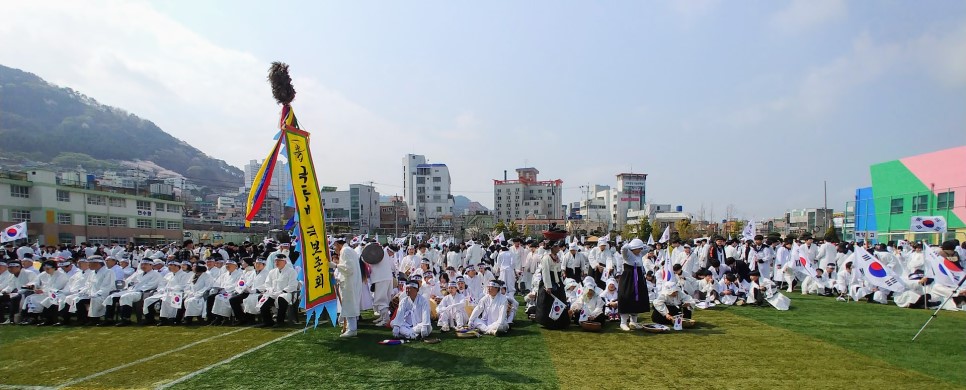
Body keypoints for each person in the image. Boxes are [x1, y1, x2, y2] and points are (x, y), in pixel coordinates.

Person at [104, 260, 161, 327]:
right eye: (142, 264)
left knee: (126, 297)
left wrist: (137, 287)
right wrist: (129, 285)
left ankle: (126, 319)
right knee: (111, 297)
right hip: (131, 290)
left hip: (142, 292)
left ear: (151, 265)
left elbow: (152, 285)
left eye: (145, 264)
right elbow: (128, 281)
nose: (143, 266)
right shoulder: (138, 273)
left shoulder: (156, 274)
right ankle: (109, 319)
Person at [143, 261, 190, 326]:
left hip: (178, 293)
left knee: (167, 299)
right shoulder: (168, 274)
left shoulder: (184, 275)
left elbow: (183, 285)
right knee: (148, 300)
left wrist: (171, 289)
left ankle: (167, 318)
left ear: (176, 266)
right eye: (168, 265)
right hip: (165, 292)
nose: (169, 267)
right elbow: (162, 283)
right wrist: (161, 289)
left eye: (171, 265)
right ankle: (150, 319)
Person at [616, 239, 650, 331]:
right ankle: (623, 322)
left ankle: (633, 322)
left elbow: (647, 248)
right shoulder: (627, 255)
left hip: (638, 278)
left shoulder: (640, 254)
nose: (639, 250)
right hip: (629, 278)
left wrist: (640, 245)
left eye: (640, 248)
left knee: (637, 298)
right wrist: (629, 245)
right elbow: (623, 249)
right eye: (637, 248)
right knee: (626, 297)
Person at [536, 241, 570, 329]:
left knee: (560, 300)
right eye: (557, 247)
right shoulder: (546, 258)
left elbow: (558, 268)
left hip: (557, 280)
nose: (559, 248)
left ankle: (560, 321)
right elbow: (545, 272)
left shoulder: (557, 257)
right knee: (548, 302)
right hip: (549, 281)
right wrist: (548, 286)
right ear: (552, 248)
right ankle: (548, 322)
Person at [258, 254, 298, 328]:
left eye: (279, 261)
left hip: (287, 293)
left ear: (285, 262)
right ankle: (268, 321)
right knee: (262, 298)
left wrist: (281, 292)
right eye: (276, 261)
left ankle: (280, 321)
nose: (277, 262)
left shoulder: (291, 271)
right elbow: (267, 284)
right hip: (273, 293)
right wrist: (270, 290)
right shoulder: (272, 272)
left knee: (281, 298)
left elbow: (292, 285)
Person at [334, 238, 363, 337]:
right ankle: (351, 328)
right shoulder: (350, 250)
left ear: (338, 244)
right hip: (351, 281)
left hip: (349, 282)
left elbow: (348, 269)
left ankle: (352, 329)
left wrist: (336, 266)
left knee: (349, 304)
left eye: (335, 245)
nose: (334, 248)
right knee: (350, 304)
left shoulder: (345, 251)